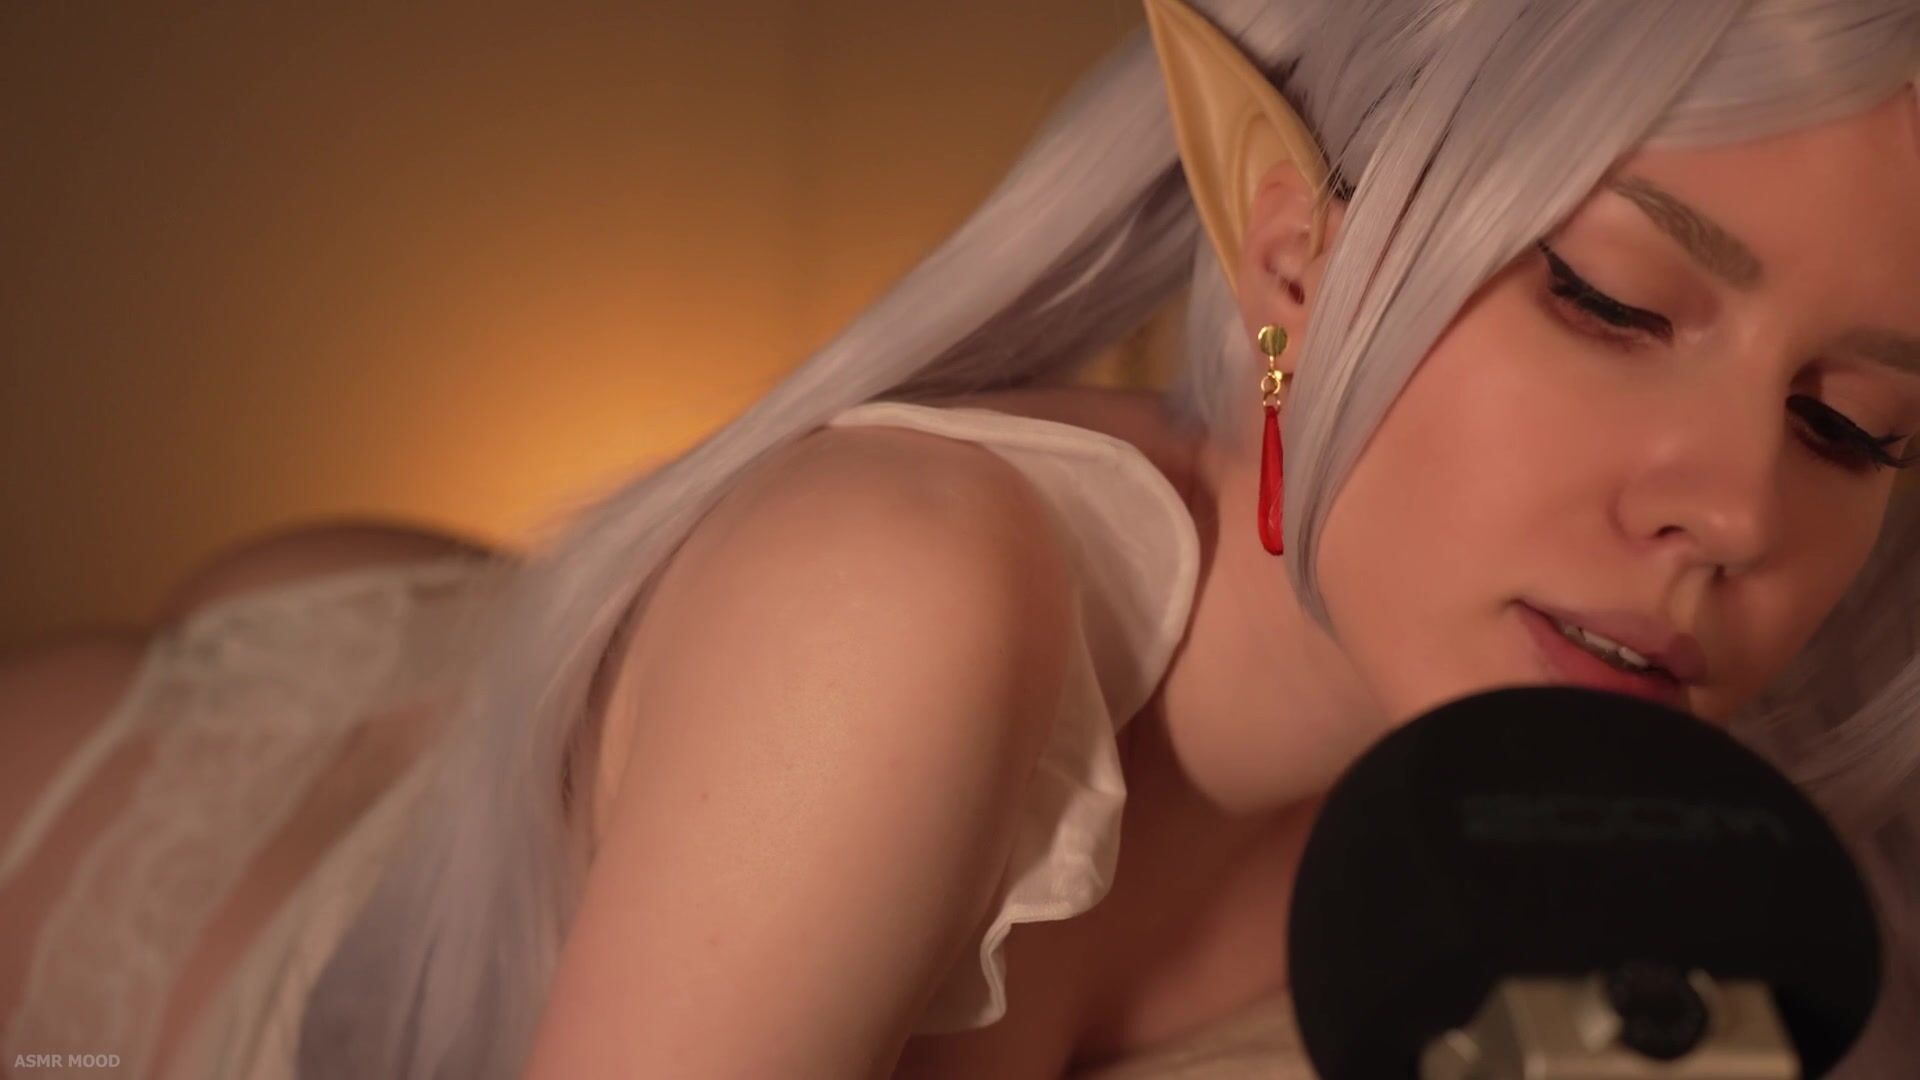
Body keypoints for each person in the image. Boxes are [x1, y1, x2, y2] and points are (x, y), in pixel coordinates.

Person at [3, 0, 1917, 1076]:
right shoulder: (898, 607)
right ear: (1298, 258)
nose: (1739, 511)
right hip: (175, 849)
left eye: (1854, 424)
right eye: (1610, 301)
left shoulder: (1721, 910)